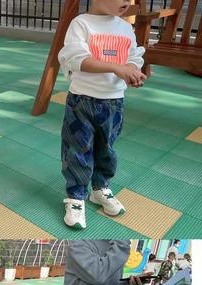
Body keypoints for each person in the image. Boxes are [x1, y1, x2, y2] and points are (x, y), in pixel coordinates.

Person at [58, 0, 146, 229]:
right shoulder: (81, 24)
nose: (127, 2)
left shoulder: (126, 28)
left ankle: (99, 188)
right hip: (82, 101)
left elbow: (134, 56)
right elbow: (77, 59)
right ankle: (76, 196)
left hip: (114, 102)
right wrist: (116, 67)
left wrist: (133, 70)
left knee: (106, 148)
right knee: (78, 149)